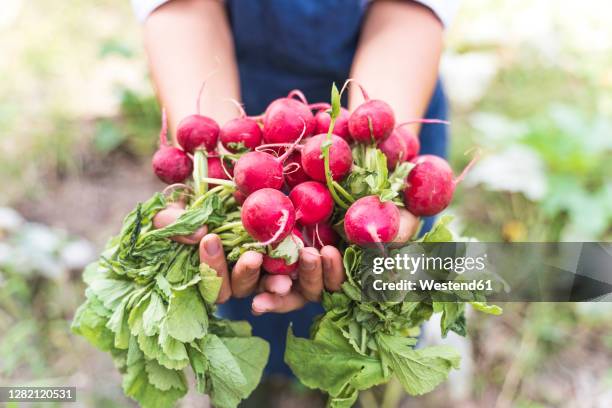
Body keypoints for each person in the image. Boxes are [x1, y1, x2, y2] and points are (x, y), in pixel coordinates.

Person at [132, 0, 456, 375]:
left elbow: (407, 12)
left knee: (382, 288)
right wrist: (213, 157)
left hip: (394, 78)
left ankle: (378, 372)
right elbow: (185, 8)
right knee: (243, 278)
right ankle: (264, 377)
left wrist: (382, 150)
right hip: (240, 103)